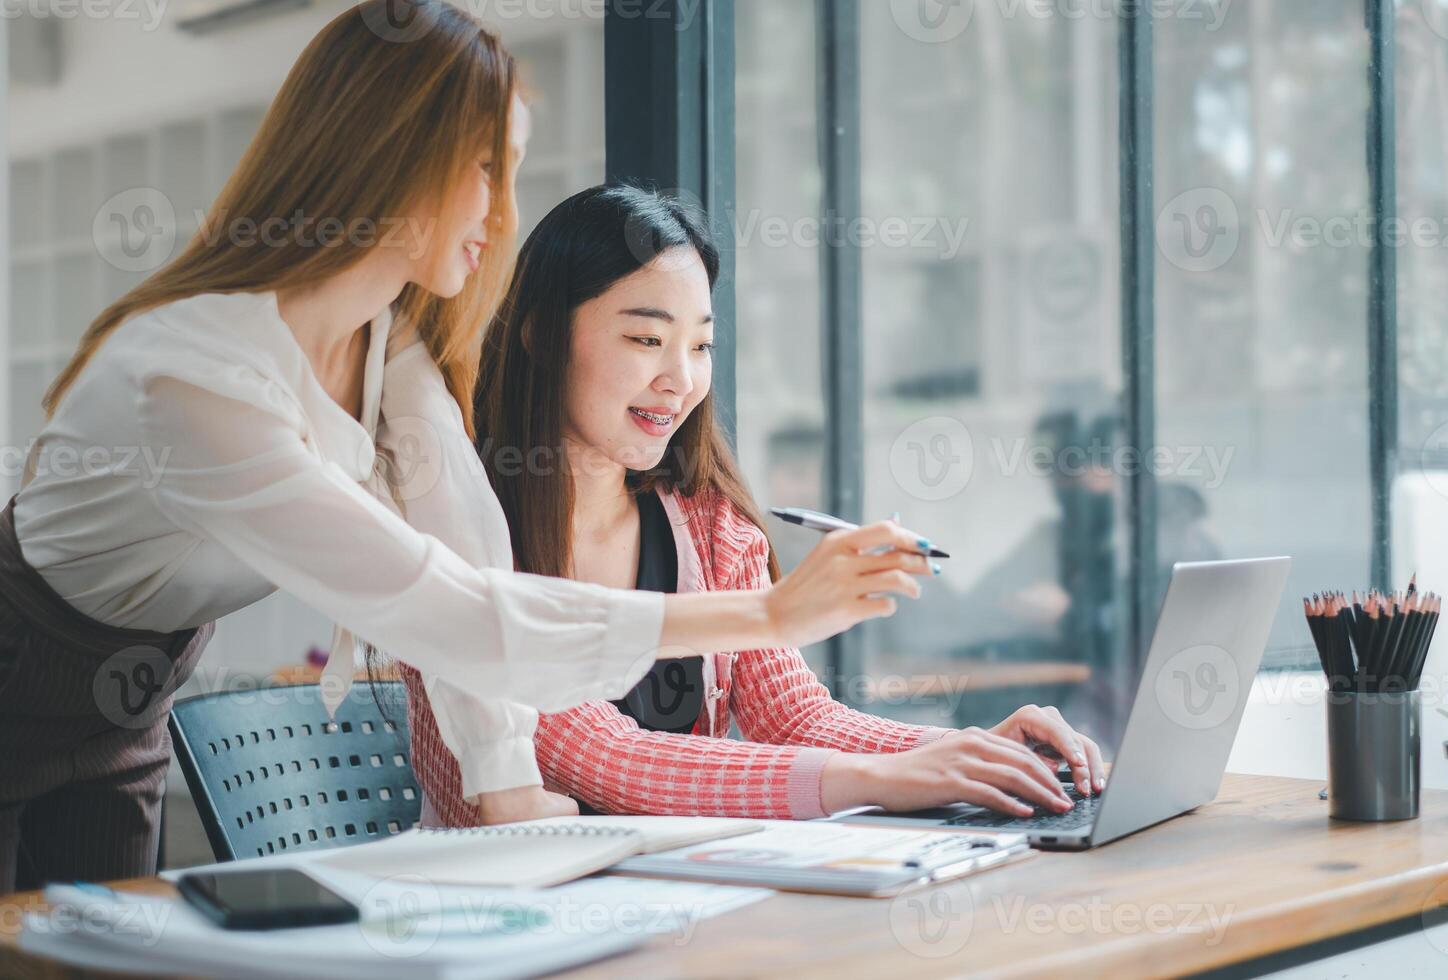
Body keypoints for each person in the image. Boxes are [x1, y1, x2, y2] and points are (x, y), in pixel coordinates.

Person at [0, 2, 930, 892]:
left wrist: (503, 782)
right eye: (488, 168)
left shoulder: (389, 345)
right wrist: (766, 615)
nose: (502, 213)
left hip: (133, 689)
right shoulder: (199, 378)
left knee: (84, 950)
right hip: (18, 657)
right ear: (392, 153)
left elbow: (463, 546)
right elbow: (447, 605)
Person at [400, 185, 1104, 826]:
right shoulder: (462, 528)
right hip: (512, 930)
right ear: (541, 336)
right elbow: (610, 762)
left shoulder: (707, 525)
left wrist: (965, 749)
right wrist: (880, 778)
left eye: (701, 345)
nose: (680, 379)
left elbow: (793, 715)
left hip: (688, 908)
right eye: (647, 339)